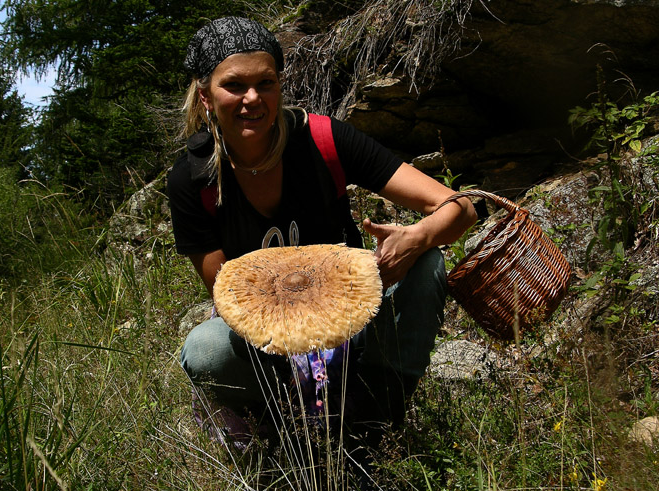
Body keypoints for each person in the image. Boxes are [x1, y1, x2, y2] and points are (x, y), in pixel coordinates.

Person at [168, 17, 476, 454]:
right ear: (205, 96)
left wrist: (417, 236)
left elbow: (461, 206)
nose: (252, 98)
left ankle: (372, 428)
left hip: (354, 327)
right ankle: (277, 440)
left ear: (279, 86)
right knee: (206, 349)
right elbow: (227, 297)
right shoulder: (192, 181)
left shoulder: (323, 139)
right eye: (234, 85)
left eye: (266, 82)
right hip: (270, 346)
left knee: (426, 262)